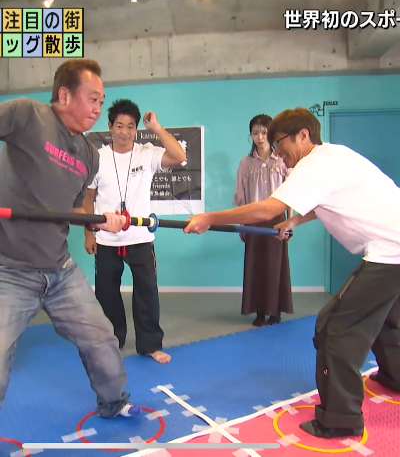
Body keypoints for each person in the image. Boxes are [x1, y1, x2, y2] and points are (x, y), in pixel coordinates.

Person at [182, 107, 400, 439]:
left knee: (335, 329)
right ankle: (395, 376)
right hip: (394, 247)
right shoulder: (334, 155)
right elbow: (324, 201)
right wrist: (295, 219)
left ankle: (340, 418)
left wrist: (209, 218)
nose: (279, 153)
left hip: (391, 253)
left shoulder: (313, 164)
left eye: (280, 143)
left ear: (303, 135)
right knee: (385, 316)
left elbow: (267, 208)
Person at [0, 59, 141, 419]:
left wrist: (101, 222)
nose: (97, 109)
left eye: (101, 101)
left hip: (60, 271)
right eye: (92, 99)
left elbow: (77, 209)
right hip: (9, 271)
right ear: (64, 96)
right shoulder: (27, 115)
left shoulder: (89, 154)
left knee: (102, 338)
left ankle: (113, 402)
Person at [83, 99, 185, 363]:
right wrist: (89, 233)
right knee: (106, 294)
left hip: (140, 238)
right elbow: (88, 198)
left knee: (147, 292)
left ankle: (150, 345)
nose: (125, 132)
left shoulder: (146, 153)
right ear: (110, 126)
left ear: (137, 129)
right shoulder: (98, 158)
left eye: (130, 127)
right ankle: (112, 341)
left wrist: (157, 128)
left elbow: (179, 156)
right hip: (106, 239)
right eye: (119, 126)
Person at [233, 114, 293, 326]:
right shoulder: (245, 163)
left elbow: (291, 193)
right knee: (255, 266)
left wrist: (290, 221)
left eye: (264, 132)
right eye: (255, 133)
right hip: (252, 219)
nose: (260, 137)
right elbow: (241, 196)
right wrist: (242, 224)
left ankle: (275, 311)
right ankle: (259, 312)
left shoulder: (282, 161)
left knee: (275, 266)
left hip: (277, 219)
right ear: (250, 135)